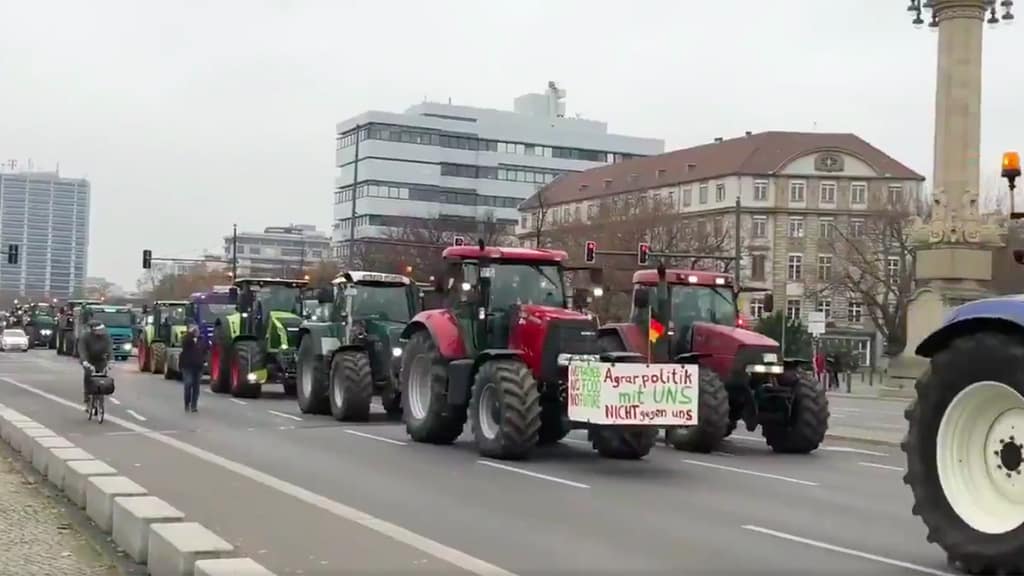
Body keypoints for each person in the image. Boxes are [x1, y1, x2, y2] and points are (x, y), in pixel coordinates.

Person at [78, 321, 112, 409]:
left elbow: (109, 349)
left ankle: (100, 397)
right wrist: (85, 361)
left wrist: (111, 361)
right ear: (92, 330)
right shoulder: (85, 337)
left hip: (101, 359)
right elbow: (82, 350)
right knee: (88, 376)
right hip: (89, 360)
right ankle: (87, 399)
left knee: (102, 377)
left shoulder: (106, 337)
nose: (101, 333)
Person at [179, 324, 205, 412]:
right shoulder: (187, 339)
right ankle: (187, 403)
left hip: (198, 367)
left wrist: (203, 360)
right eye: (195, 330)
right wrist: (190, 333)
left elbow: (205, 350)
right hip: (187, 366)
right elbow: (184, 343)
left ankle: (194, 405)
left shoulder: (201, 340)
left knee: (196, 387)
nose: (197, 331)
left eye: (197, 330)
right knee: (188, 384)